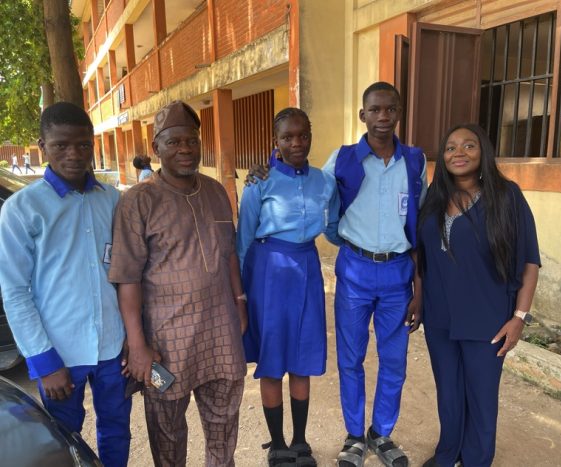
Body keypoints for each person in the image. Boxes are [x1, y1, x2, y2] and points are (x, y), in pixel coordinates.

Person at [247, 82, 427, 467]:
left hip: (398, 271)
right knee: (351, 358)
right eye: (374, 110)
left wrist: (419, 283)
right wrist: (263, 163)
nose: (383, 117)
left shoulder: (415, 161)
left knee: (394, 359)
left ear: (399, 113)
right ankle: (354, 437)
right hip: (355, 269)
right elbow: (296, 174)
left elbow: (419, 223)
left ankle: (382, 433)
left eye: (390, 109)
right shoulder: (341, 161)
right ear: (362, 116)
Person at [108, 100, 248, 467]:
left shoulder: (217, 192)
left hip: (220, 335)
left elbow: (229, 254)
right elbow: (127, 277)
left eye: (191, 141)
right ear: (156, 148)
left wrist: (240, 302)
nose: (185, 149)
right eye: (174, 142)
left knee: (224, 421)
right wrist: (137, 345)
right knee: (167, 429)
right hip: (167, 344)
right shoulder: (138, 202)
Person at [0, 102, 131, 467]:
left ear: (92, 144)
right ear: (42, 146)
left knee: (117, 429)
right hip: (60, 353)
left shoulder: (112, 200)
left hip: (111, 348)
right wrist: (43, 361)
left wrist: (130, 341)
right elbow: (14, 290)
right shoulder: (22, 209)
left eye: (83, 144)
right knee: (60, 438)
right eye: (61, 145)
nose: (74, 154)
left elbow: (123, 273)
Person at [416, 124, 540, 467]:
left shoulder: (506, 196)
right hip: (440, 319)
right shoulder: (433, 198)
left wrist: (519, 319)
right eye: (451, 147)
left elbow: (530, 261)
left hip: (487, 319)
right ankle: (448, 453)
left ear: (483, 152)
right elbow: (423, 259)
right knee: (449, 393)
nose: (459, 153)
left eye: (469, 145)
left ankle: (476, 459)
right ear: (442, 157)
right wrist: (419, 300)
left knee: (482, 397)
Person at [237, 108, 339, 466]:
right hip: (268, 271)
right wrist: (241, 292)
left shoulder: (325, 182)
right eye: (287, 137)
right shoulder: (258, 183)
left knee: (302, 356)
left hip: (307, 269)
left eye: (303, 135)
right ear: (275, 142)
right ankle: (277, 443)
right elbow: (244, 238)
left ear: (310, 135)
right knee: (272, 357)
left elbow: (336, 226)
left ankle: (299, 441)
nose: (296, 143)